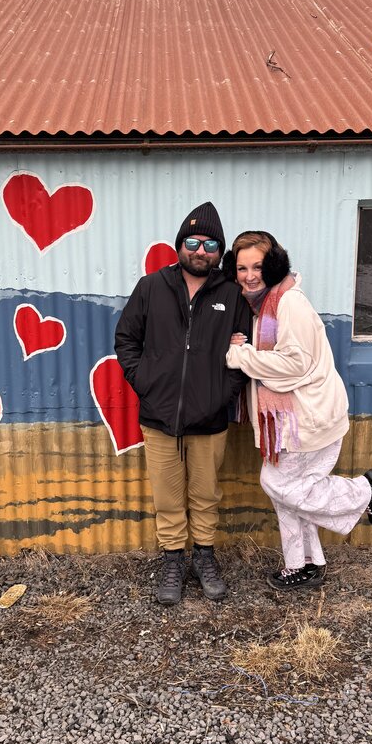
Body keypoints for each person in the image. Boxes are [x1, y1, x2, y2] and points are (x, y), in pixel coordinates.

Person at [224, 230, 372, 591]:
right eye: (242, 268)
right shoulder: (262, 306)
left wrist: (240, 355)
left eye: (257, 266)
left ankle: (363, 492)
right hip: (294, 420)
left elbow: (293, 365)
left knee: (276, 483)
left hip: (307, 418)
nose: (249, 276)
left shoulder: (289, 304)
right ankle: (305, 564)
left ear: (273, 265)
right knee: (290, 492)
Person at [115, 202, 250, 606]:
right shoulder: (151, 287)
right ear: (180, 246)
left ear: (219, 251)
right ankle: (173, 560)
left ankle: (204, 557)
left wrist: (221, 395)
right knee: (168, 496)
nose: (200, 251)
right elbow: (126, 340)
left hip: (210, 419)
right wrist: (146, 382)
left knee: (206, 494)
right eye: (192, 242)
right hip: (159, 418)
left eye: (210, 244)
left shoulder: (232, 294)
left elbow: (244, 355)